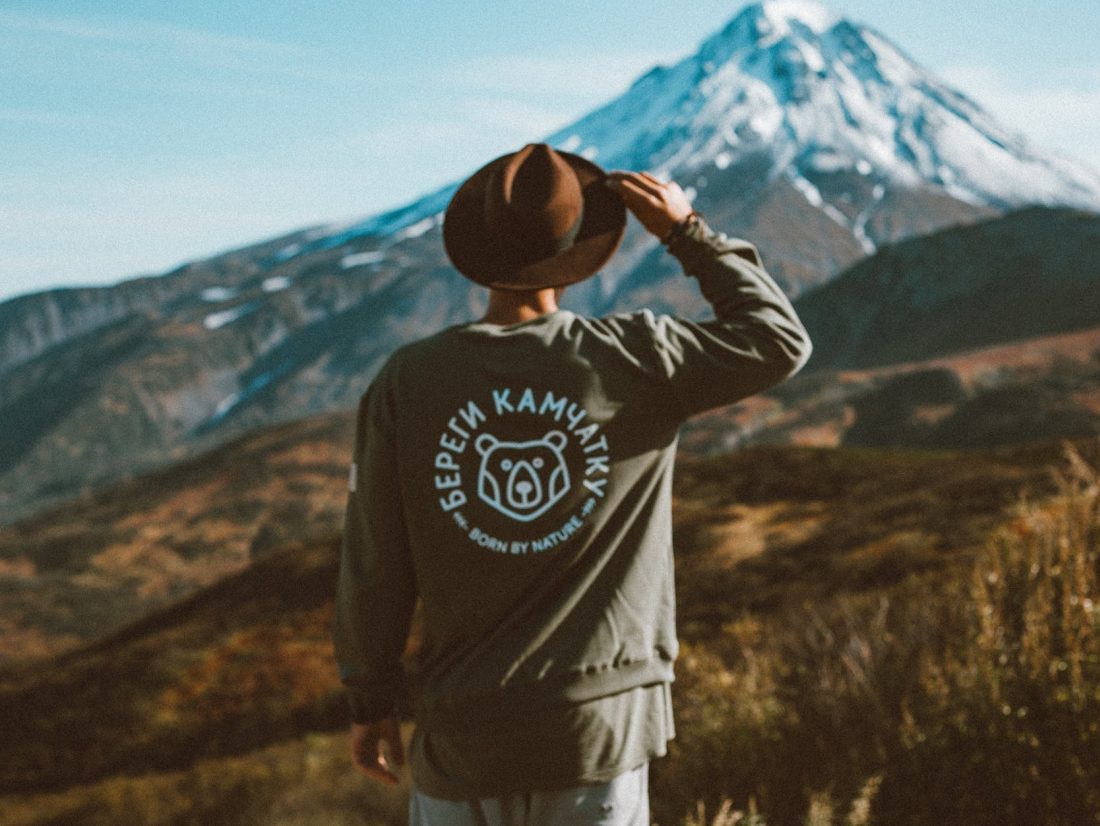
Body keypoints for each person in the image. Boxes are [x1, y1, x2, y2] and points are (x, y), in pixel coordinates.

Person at [333, 142, 812, 825]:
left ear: (478, 249)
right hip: (599, 731)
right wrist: (688, 233)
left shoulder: (407, 382)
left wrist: (368, 700)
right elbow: (779, 341)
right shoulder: (637, 357)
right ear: (577, 251)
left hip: (462, 737)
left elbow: (374, 562)